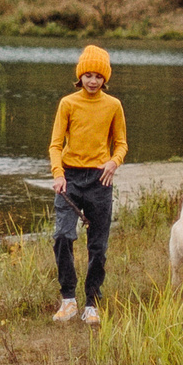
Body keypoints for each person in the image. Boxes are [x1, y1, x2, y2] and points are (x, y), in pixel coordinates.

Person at [46, 43, 127, 324]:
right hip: (69, 178)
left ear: (105, 78)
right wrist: (58, 174)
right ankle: (68, 299)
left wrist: (114, 162)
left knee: (98, 246)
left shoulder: (113, 105)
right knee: (62, 236)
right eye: (88, 75)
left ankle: (91, 302)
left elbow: (121, 144)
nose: (93, 81)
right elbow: (56, 144)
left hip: (99, 180)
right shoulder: (68, 103)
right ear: (79, 76)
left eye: (98, 76)